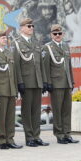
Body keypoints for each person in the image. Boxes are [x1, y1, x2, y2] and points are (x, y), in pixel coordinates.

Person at [12, 18, 49, 147]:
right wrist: (20, 82)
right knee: (27, 111)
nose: (31, 28)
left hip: (37, 81)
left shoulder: (36, 43)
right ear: (21, 28)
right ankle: (29, 137)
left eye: (32, 26)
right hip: (26, 82)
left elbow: (41, 64)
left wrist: (44, 80)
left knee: (36, 111)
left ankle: (36, 136)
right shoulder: (17, 43)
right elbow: (16, 64)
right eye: (29, 26)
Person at [0, 31, 23, 150]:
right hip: (0, 91)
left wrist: (15, 90)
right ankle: (2, 140)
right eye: (2, 38)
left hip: (10, 90)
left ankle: (10, 139)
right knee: (0, 117)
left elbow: (14, 74)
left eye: (5, 38)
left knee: (10, 117)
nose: (5, 40)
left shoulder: (9, 53)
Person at [42, 24, 79, 144]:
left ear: (63, 34)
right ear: (51, 35)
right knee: (57, 110)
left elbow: (68, 66)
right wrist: (47, 82)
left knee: (67, 110)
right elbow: (45, 66)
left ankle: (67, 133)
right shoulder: (47, 48)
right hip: (56, 83)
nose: (57, 36)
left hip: (66, 82)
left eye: (59, 33)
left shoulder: (65, 46)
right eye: (55, 34)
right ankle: (59, 134)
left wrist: (71, 81)